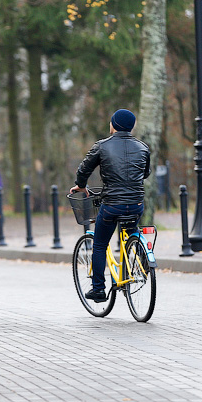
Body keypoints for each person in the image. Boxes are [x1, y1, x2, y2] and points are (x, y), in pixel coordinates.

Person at [69, 109, 151, 302]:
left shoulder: (101, 146)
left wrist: (81, 186)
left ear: (114, 125)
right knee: (132, 231)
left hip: (112, 205)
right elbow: (145, 173)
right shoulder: (143, 147)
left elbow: (84, 169)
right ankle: (142, 258)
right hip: (136, 203)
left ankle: (98, 289)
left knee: (99, 244)